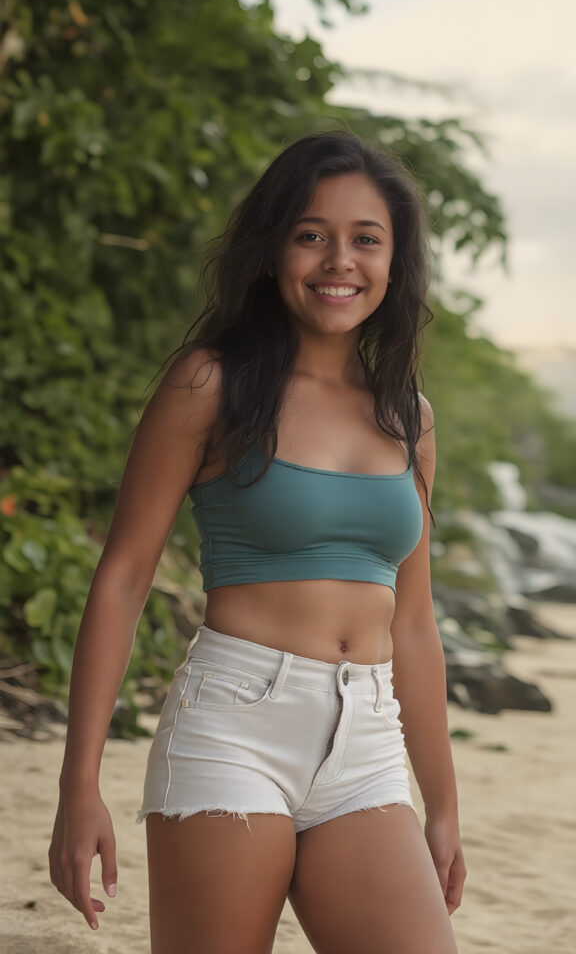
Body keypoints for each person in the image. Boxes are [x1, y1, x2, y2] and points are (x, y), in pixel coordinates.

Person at [49, 130, 466, 953]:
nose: (337, 260)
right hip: (234, 730)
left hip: (368, 748)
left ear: (395, 262)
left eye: (365, 240)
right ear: (274, 249)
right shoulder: (211, 384)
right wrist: (79, 786)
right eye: (311, 234)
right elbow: (125, 577)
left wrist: (443, 802)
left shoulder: (406, 417)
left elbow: (413, 623)